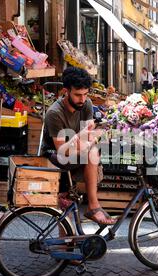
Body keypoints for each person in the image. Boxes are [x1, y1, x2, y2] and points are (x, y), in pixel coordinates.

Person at [42, 66, 116, 225]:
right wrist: (81, 139)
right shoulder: (54, 113)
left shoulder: (86, 104)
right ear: (65, 91)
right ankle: (93, 206)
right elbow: (62, 150)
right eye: (77, 95)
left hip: (77, 150)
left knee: (92, 151)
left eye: (85, 94)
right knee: (92, 152)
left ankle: (68, 241)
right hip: (55, 156)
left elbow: (89, 134)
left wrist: (91, 137)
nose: (82, 99)